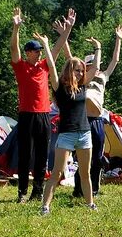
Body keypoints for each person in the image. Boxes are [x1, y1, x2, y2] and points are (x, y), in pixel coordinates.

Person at [10, 7, 75, 203]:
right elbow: (14, 49)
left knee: (41, 155)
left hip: (44, 115)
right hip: (26, 115)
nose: (39, 54)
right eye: (36, 51)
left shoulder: (45, 66)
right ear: (28, 52)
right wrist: (16, 29)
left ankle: (37, 190)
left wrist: (67, 30)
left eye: (40, 51)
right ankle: (22, 192)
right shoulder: (21, 66)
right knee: (24, 155)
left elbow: (56, 48)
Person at [38, 33, 100, 215]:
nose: (80, 73)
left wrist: (98, 48)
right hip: (66, 135)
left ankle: (90, 204)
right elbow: (50, 65)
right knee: (57, 172)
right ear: (68, 71)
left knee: (85, 173)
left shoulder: (83, 86)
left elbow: (95, 68)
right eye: (77, 70)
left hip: (84, 134)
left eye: (81, 70)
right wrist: (46, 44)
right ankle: (45, 206)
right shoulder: (59, 87)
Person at [71, 24, 122, 198]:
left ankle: (94, 188)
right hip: (82, 120)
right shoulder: (81, 79)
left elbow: (115, 60)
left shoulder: (103, 76)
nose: (95, 66)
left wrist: (118, 39)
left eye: (95, 63)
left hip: (98, 120)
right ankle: (78, 189)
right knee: (81, 157)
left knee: (97, 158)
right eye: (90, 64)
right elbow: (69, 59)